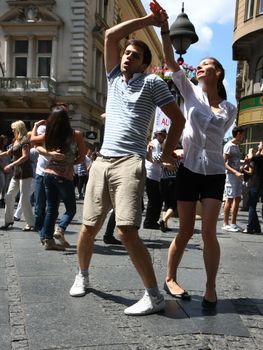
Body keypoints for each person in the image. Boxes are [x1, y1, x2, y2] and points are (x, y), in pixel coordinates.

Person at [69, 9, 185, 317]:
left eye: (134, 56)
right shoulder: (113, 79)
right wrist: (148, 21)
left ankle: (153, 295)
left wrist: (167, 151)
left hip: (129, 163)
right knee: (87, 227)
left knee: (126, 230)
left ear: (145, 64)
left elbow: (178, 119)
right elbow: (109, 36)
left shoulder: (152, 84)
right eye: (127, 53)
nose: (127, 58)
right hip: (101, 162)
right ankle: (82, 275)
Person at [157, 2, 237, 309]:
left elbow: (215, 140)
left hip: (215, 172)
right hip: (189, 169)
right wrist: (164, 30)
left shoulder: (230, 109)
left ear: (217, 72)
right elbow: (168, 60)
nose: (199, 67)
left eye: (205, 64)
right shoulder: (190, 92)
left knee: (208, 232)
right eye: (198, 65)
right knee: (186, 229)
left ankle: (211, 287)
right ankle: (171, 277)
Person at [36, 106, 86, 250]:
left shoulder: (50, 134)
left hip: (48, 174)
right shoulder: (75, 134)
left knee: (51, 209)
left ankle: (48, 240)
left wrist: (50, 154)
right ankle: (60, 229)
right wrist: (70, 162)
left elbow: (33, 142)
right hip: (64, 176)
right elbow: (82, 157)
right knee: (71, 209)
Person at [0, 121, 34, 231]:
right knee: (9, 196)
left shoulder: (25, 141)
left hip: (25, 173)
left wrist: (11, 164)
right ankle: (8, 221)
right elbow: (8, 153)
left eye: (13, 128)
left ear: (18, 128)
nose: (12, 130)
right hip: (17, 173)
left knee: (24, 199)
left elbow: (25, 157)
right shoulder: (16, 140)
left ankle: (30, 223)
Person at [222, 126, 245, 232]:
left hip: (237, 175)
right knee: (229, 198)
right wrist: (235, 172)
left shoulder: (236, 146)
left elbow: (235, 161)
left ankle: (233, 223)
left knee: (237, 198)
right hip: (231, 176)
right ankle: (225, 223)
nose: (244, 136)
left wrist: (242, 165)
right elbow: (224, 163)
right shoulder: (229, 146)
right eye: (243, 134)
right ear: (238, 134)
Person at [143, 129, 167, 229]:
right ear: (157, 135)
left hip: (155, 175)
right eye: (162, 135)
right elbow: (156, 158)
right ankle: (149, 222)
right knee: (154, 199)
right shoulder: (155, 143)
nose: (164, 137)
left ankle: (152, 221)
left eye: (165, 135)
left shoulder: (157, 143)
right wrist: (166, 152)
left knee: (157, 199)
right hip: (151, 175)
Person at [242, 141, 263, 234]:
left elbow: (250, 158)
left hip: (256, 184)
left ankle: (250, 227)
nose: (258, 145)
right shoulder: (259, 157)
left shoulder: (259, 157)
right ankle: (257, 228)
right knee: (253, 205)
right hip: (260, 185)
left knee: (251, 206)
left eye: (260, 144)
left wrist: (250, 150)